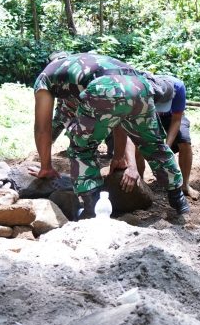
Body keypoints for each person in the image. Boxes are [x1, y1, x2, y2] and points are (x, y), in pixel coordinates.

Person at [30, 52, 190, 217]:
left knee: (81, 148)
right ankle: (178, 198)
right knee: (154, 145)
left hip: (104, 87)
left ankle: (92, 207)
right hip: (139, 86)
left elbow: (42, 128)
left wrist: (46, 167)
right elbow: (118, 117)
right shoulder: (88, 61)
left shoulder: (46, 76)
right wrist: (118, 157)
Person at [134, 74, 200, 199]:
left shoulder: (179, 87)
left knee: (185, 142)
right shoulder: (143, 88)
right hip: (147, 114)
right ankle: (140, 184)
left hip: (173, 116)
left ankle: (185, 184)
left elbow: (176, 120)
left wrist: (166, 147)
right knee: (138, 144)